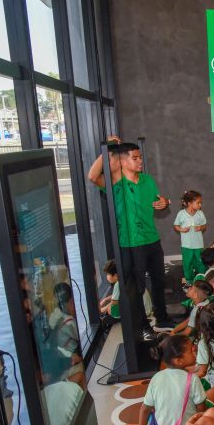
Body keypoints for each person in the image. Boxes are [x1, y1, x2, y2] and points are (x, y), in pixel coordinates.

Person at [87, 139, 172, 337]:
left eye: (140, 157)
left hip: (152, 239)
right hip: (131, 244)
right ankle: (143, 326)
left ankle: (162, 318)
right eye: (135, 158)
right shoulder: (115, 182)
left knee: (159, 281)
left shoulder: (147, 180)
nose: (140, 161)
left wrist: (164, 202)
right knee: (137, 288)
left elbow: (158, 200)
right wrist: (106, 149)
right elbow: (92, 176)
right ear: (123, 162)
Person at [124, 335, 207, 425]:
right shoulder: (193, 379)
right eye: (191, 351)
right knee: (211, 400)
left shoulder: (156, 378)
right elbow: (201, 410)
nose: (195, 350)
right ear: (179, 361)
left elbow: (145, 408)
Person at [173, 190, 207, 288]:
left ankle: (201, 278)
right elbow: (176, 225)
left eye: (200, 203)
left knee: (200, 262)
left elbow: (204, 225)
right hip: (186, 245)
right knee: (187, 263)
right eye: (198, 203)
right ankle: (189, 280)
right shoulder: (181, 214)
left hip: (199, 244)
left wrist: (201, 227)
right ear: (189, 203)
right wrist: (181, 229)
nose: (200, 205)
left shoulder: (200, 213)